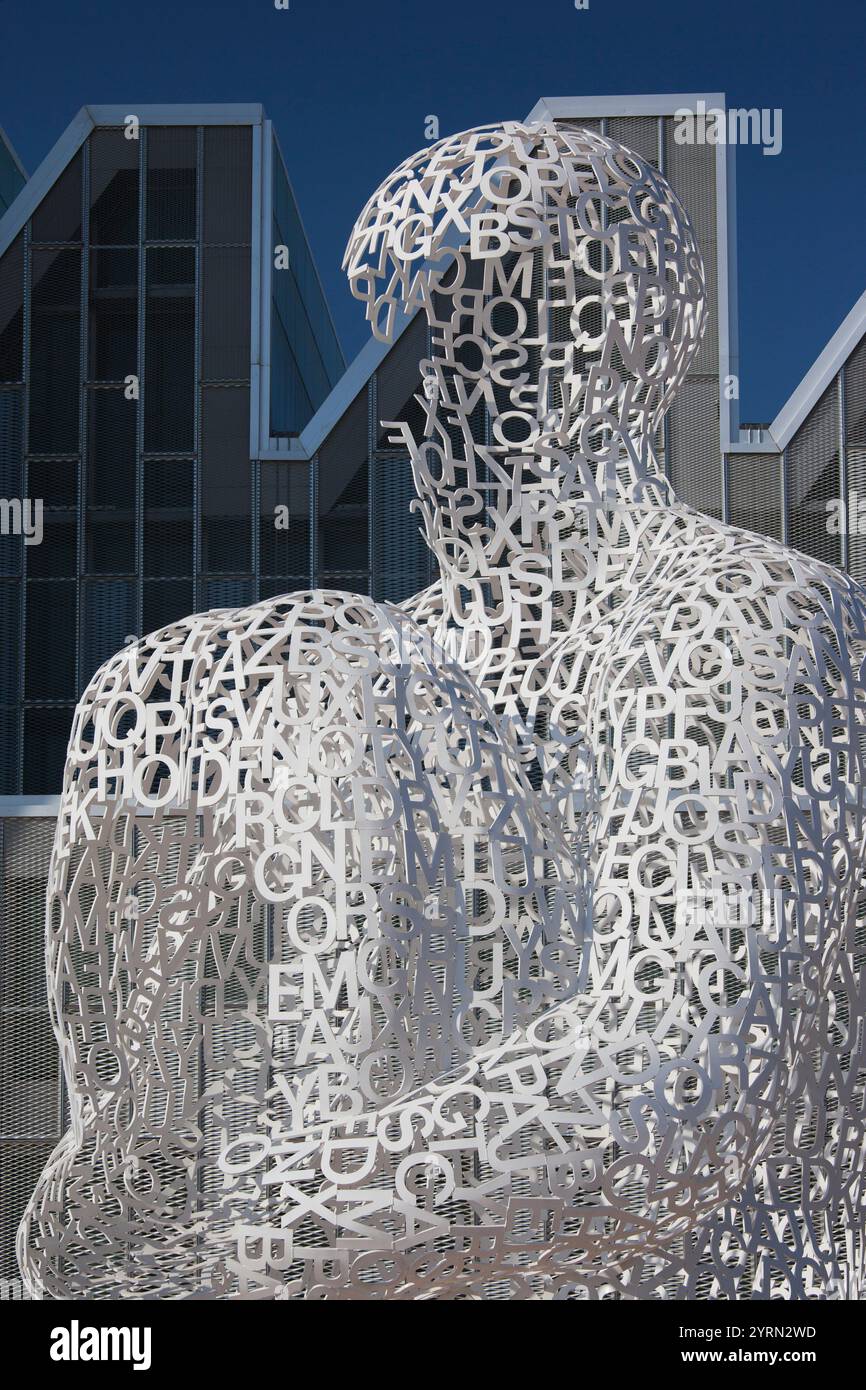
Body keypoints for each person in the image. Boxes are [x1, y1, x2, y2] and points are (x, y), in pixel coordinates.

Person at [19, 122, 866, 1300]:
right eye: (396, 345)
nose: (405, 410)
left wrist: (260, 1228)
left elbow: (678, 1075)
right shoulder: (373, 670)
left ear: (601, 351)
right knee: (250, 673)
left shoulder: (745, 619)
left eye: (460, 338)